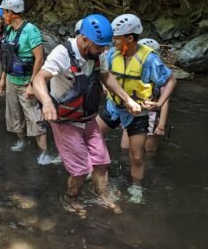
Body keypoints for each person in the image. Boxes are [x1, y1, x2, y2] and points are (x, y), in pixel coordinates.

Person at [33, 14, 141, 205]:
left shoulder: (98, 55)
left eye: (105, 46)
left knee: (101, 162)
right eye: (100, 46)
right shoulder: (63, 53)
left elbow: (106, 77)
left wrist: (127, 99)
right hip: (65, 121)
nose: (104, 50)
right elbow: (39, 78)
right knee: (80, 170)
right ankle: (72, 200)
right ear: (84, 39)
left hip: (89, 119)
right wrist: (47, 102)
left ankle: (103, 197)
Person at [96, 14, 176, 203]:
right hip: (113, 106)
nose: (112, 40)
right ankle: (95, 170)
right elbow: (102, 74)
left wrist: (159, 103)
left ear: (130, 38)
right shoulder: (110, 53)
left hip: (138, 112)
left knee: (137, 156)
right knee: (91, 137)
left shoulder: (149, 60)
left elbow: (171, 80)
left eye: (116, 37)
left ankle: (137, 188)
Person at [0, 0, 54, 165]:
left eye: (4, 12)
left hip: (27, 81)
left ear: (11, 12)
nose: (2, 16)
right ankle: (21, 142)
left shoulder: (31, 30)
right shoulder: (9, 31)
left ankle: (44, 153)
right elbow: (8, 57)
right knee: (13, 114)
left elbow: (39, 59)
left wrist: (32, 85)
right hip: (11, 80)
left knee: (34, 117)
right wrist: (2, 79)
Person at [118, 38, 170, 153]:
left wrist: (161, 125)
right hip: (132, 111)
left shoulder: (157, 71)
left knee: (149, 152)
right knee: (125, 149)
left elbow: (165, 100)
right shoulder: (131, 68)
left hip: (151, 114)